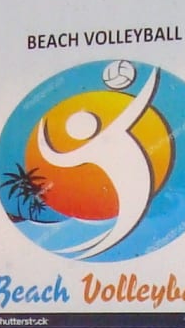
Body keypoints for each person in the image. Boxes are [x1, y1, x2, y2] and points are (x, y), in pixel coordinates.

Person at [35, 66, 163, 258]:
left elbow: (54, 156)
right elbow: (54, 157)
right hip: (132, 186)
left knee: (130, 218)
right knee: (128, 219)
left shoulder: (96, 142)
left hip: (135, 183)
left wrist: (43, 136)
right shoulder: (108, 134)